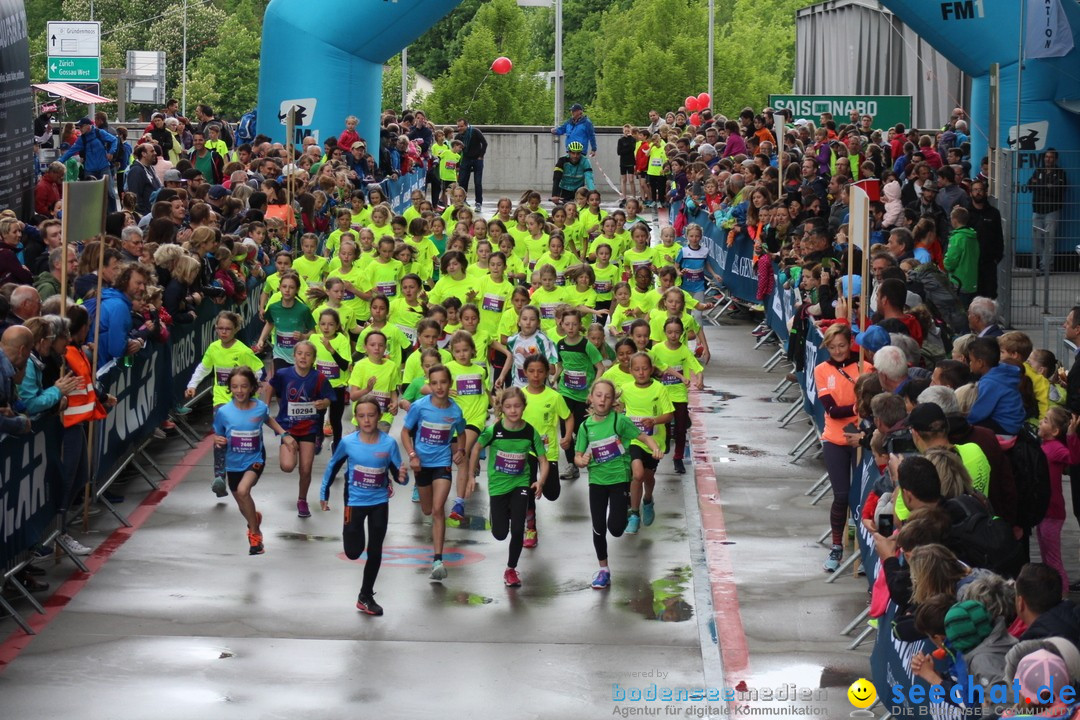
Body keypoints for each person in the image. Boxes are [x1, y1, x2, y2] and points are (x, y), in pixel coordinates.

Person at [320, 395, 407, 616]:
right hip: (354, 501)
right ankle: (350, 534)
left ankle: (365, 595)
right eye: (361, 416)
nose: (366, 420)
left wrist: (403, 476)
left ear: (379, 416)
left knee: (375, 550)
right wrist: (325, 491)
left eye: (371, 415)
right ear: (356, 419)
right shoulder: (349, 443)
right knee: (352, 552)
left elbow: (399, 476)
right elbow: (332, 466)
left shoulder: (388, 443)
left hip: (379, 502)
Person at [574, 378, 662, 589]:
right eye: (598, 395)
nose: (602, 400)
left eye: (607, 396)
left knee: (615, 528)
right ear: (591, 399)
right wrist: (581, 460)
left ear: (613, 400)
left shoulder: (618, 421)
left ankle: (625, 512)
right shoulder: (586, 426)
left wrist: (655, 447)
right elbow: (577, 456)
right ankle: (603, 569)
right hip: (596, 481)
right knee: (598, 527)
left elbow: (641, 436)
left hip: (619, 480)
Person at [469, 386, 548, 588]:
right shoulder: (494, 430)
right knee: (500, 533)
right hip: (498, 486)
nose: (513, 410)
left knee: (518, 529)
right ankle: (500, 515)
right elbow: (476, 447)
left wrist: (540, 481)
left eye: (517, 406)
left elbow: (543, 459)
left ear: (524, 407)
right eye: (508, 407)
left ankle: (511, 569)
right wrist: (471, 475)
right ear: (502, 408)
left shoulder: (530, 431)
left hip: (520, 483)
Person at [814, 323, 873, 572]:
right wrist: (855, 408)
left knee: (861, 498)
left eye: (842, 345)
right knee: (841, 495)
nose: (837, 351)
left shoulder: (865, 367)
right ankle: (837, 547)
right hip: (835, 439)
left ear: (851, 343)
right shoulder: (821, 370)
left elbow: (871, 404)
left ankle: (863, 551)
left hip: (861, 438)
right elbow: (832, 410)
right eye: (832, 346)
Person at [186, 310, 264, 497]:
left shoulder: (243, 351)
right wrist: (192, 384)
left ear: (236, 329)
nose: (223, 332)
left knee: (238, 438)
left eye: (228, 329)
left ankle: (246, 467)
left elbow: (259, 370)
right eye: (220, 328)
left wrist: (249, 388)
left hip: (241, 403)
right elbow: (203, 368)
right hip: (221, 401)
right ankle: (219, 477)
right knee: (220, 438)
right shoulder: (213, 348)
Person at [213, 367, 289, 556]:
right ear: (230, 388)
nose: (239, 391)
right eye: (235, 386)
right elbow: (219, 435)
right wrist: (218, 439)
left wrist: (285, 435)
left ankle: (255, 535)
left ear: (251, 388)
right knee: (242, 502)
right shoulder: (224, 412)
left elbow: (268, 420)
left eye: (244, 386)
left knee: (243, 490)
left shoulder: (260, 408)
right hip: (232, 463)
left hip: (255, 459)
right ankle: (253, 519)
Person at [401, 364, 466, 581]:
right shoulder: (419, 407)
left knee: (438, 509)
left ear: (450, 384)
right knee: (427, 510)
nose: (439, 387)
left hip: (442, 463)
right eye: (434, 382)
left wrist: (461, 451)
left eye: (443, 382)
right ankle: (436, 557)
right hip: (422, 465)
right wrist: (412, 455)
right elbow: (404, 432)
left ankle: (438, 560)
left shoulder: (455, 410)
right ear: (429, 384)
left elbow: (461, 433)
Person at [267, 340, 334, 518]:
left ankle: (302, 500)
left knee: (306, 468)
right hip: (288, 427)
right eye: (300, 353)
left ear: (313, 359)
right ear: (294, 356)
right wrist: (265, 406)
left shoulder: (318, 377)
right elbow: (270, 386)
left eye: (308, 354)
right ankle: (291, 451)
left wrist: (323, 403)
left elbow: (329, 398)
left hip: (309, 428)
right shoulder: (283, 374)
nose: (303, 357)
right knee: (288, 466)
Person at [1027, 148, 1066, 274]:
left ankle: (1046, 267)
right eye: (1046, 157)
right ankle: (1044, 263)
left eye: (1051, 157)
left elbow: (1058, 190)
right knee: (1036, 238)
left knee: (1050, 239)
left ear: (1055, 159)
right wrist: (1047, 185)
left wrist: (1039, 185)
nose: (1048, 159)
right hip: (1037, 209)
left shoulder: (1060, 173)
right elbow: (1029, 185)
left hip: (1052, 210)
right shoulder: (1038, 170)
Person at [455, 117, 487, 212]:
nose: (459, 128)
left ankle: (478, 203)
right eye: (458, 126)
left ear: (466, 125)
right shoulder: (458, 137)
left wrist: (481, 156)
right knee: (462, 181)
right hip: (465, 159)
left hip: (477, 159)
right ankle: (463, 201)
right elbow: (455, 152)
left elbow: (484, 143)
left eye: (461, 126)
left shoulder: (475, 132)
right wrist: (457, 165)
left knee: (477, 182)